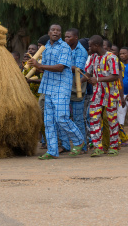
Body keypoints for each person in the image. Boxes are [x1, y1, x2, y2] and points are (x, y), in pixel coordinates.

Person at [28, 24, 85, 159]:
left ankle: (79, 141)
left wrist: (40, 65)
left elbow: (60, 67)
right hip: (48, 87)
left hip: (61, 87)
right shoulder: (46, 47)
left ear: (61, 33)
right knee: (48, 121)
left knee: (62, 117)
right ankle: (52, 151)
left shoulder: (64, 47)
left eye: (58, 30)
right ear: (49, 32)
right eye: (53, 30)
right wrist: (35, 66)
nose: (55, 32)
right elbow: (45, 68)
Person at [83, 35, 121, 157]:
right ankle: (97, 147)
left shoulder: (112, 57)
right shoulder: (93, 57)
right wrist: (82, 79)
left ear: (96, 46)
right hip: (97, 94)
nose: (89, 48)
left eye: (90, 46)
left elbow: (115, 76)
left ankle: (114, 146)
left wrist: (97, 79)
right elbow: (88, 73)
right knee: (93, 118)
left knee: (111, 120)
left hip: (111, 94)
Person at [65, 28, 89, 152]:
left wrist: (62, 66)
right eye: (65, 37)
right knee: (64, 117)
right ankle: (67, 145)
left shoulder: (82, 51)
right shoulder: (65, 48)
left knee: (78, 117)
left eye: (69, 37)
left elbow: (78, 69)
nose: (66, 39)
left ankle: (83, 146)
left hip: (77, 86)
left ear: (76, 38)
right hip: (65, 86)